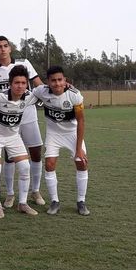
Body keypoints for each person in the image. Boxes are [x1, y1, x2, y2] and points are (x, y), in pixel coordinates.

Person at [0, 35, 45, 208]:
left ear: (10, 48)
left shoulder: (24, 63)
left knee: (35, 152)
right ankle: (10, 194)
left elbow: (38, 84)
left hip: (27, 114)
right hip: (7, 119)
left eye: (5, 46)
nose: (3, 49)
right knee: (10, 156)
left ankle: (35, 191)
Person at [32, 66, 90, 216]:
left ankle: (81, 201)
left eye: (60, 80)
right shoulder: (41, 91)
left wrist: (78, 149)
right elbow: (28, 91)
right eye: (53, 80)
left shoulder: (74, 95)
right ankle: (54, 201)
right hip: (54, 134)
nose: (57, 83)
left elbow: (81, 121)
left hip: (72, 133)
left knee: (82, 162)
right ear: (48, 82)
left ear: (65, 80)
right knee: (50, 164)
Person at [0, 65, 39, 218]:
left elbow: (47, 91)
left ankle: (22, 203)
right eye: (17, 83)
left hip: (13, 137)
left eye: (23, 83)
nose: (20, 86)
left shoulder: (29, 96)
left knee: (25, 167)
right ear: (10, 83)